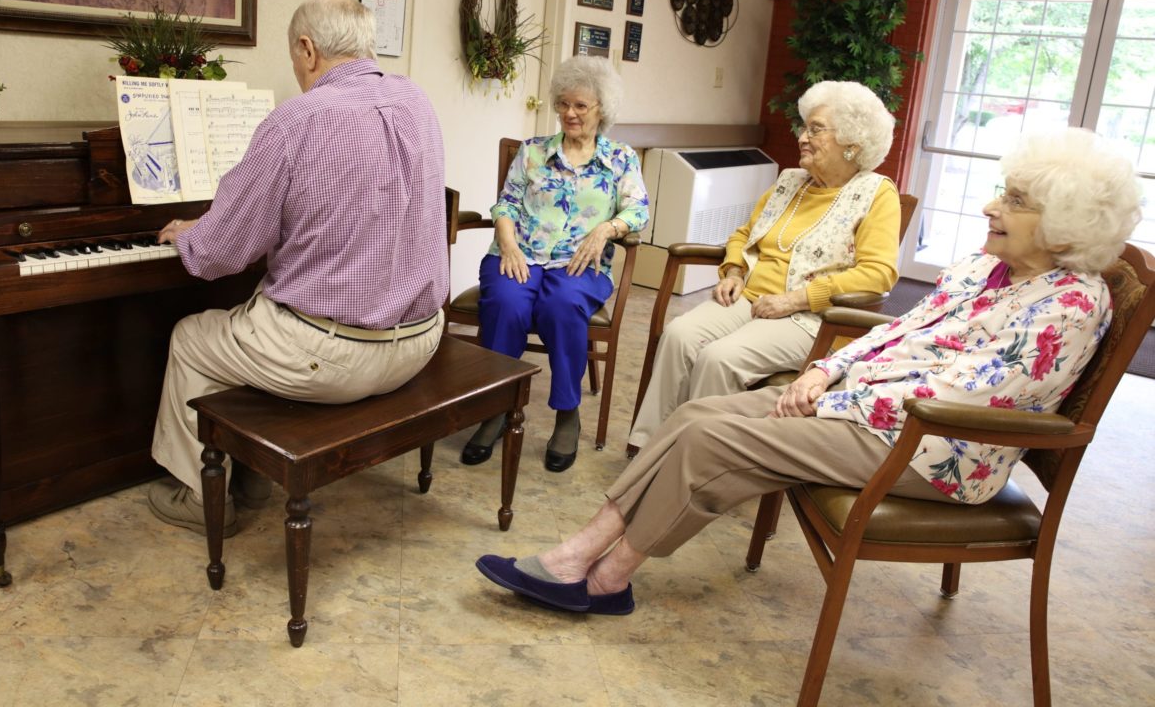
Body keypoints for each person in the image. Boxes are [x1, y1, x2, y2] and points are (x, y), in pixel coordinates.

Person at [476, 128, 1140, 615]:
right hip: (877, 415)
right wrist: (825, 373)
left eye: (1014, 199)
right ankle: (595, 560)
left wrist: (834, 396)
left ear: (1061, 226)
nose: (991, 206)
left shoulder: (1072, 304)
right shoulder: (984, 270)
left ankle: (600, 569)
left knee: (715, 440)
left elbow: (973, 395)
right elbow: (901, 333)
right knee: (697, 415)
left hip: (934, 449)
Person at [148, 0, 448, 536]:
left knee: (195, 335)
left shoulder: (297, 120)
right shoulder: (417, 103)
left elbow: (221, 253)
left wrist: (189, 234)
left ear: (308, 49)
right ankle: (253, 472)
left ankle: (199, 494)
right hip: (420, 342)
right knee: (270, 311)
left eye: (293, 58)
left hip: (335, 358)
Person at [629, 80, 901, 454]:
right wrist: (734, 270)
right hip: (749, 299)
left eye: (816, 129)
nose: (803, 137)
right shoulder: (791, 181)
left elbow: (878, 273)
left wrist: (796, 299)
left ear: (852, 144)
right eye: (804, 127)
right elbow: (744, 233)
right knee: (679, 334)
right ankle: (650, 448)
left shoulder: (877, 194)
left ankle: (696, 460)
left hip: (807, 318)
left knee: (719, 358)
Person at [459, 56, 649, 473]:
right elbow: (506, 203)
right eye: (563, 104)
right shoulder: (533, 152)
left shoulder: (619, 159)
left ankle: (567, 412)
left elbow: (639, 210)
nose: (569, 113)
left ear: (602, 109)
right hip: (520, 253)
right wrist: (506, 243)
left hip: (579, 262)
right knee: (508, 302)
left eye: (580, 105)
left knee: (560, 306)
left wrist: (605, 231)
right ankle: (497, 407)